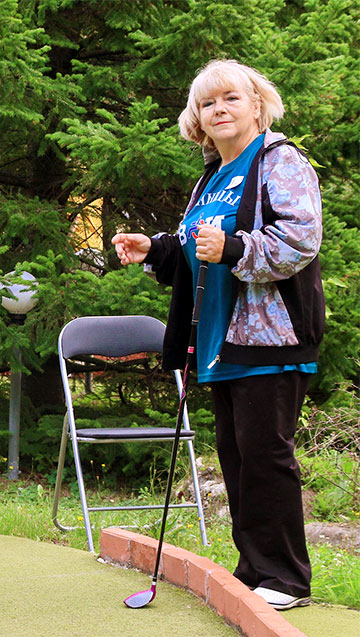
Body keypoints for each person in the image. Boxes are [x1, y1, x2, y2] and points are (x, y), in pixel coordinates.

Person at [112, 59, 324, 611]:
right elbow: (194, 243)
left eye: (231, 98)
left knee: (265, 455)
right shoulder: (211, 176)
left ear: (257, 104)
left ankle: (285, 578)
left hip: (269, 339)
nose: (220, 110)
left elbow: (300, 240)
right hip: (217, 341)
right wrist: (155, 249)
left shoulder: (279, 161)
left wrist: (233, 250)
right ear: (197, 119)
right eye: (208, 103)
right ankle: (253, 569)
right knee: (235, 455)